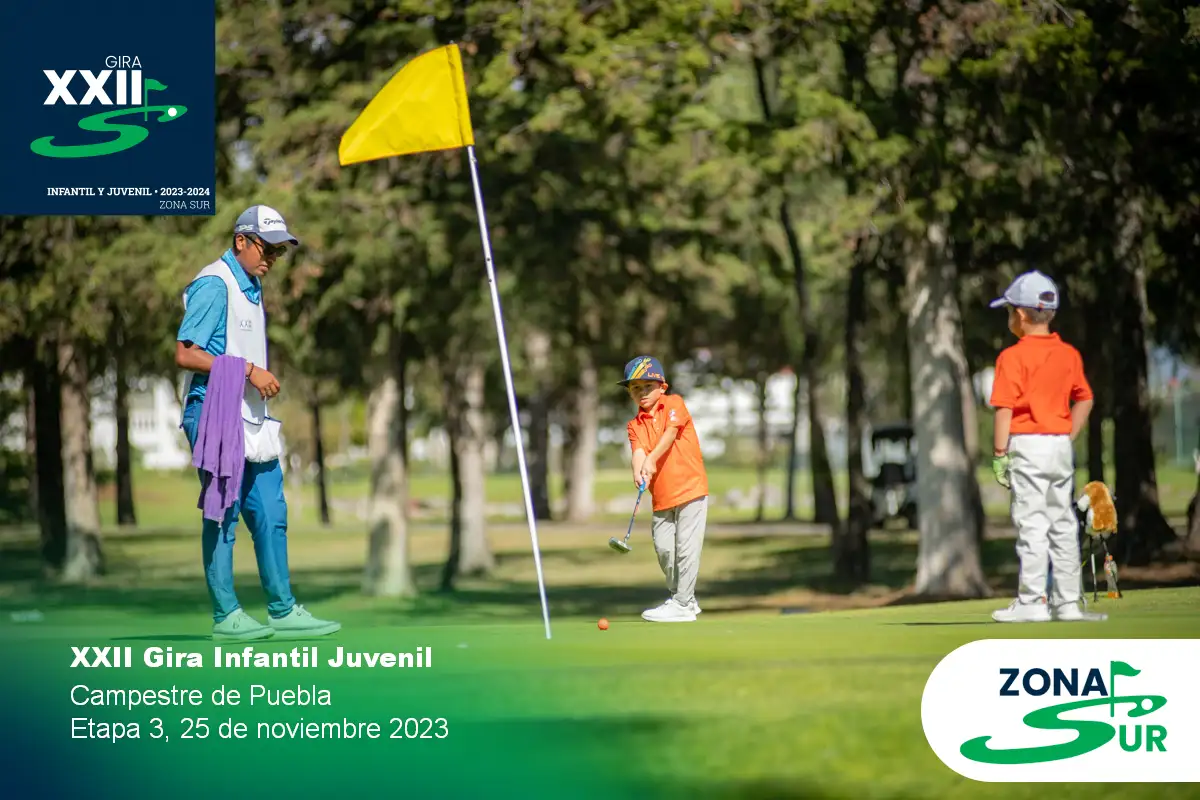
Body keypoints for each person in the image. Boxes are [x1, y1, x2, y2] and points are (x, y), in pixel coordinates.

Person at [174, 204, 341, 641]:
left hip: (251, 416)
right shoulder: (215, 283)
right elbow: (186, 353)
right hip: (214, 409)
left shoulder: (251, 284)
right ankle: (226, 616)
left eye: (279, 252)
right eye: (267, 248)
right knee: (223, 513)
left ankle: (282, 611)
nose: (272, 258)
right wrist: (249, 371)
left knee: (270, 511)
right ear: (241, 241)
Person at [987, 270, 1104, 623]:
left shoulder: (1011, 358)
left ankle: (1032, 602)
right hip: (1059, 447)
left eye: (1010, 311)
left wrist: (999, 454)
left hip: (1027, 446)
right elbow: (1084, 399)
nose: (1009, 317)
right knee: (1063, 523)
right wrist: (1067, 434)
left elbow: (1004, 409)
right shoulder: (1068, 355)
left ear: (1021, 314)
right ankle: (1068, 604)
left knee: (1032, 525)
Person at [621, 356, 709, 622]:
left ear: (662, 386)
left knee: (685, 548)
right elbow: (638, 451)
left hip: (691, 488)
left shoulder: (674, 403)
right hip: (661, 496)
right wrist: (638, 470)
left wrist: (651, 459)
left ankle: (682, 603)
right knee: (665, 551)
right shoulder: (634, 425)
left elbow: (670, 434)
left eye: (648, 386)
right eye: (636, 388)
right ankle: (684, 599)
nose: (642, 392)